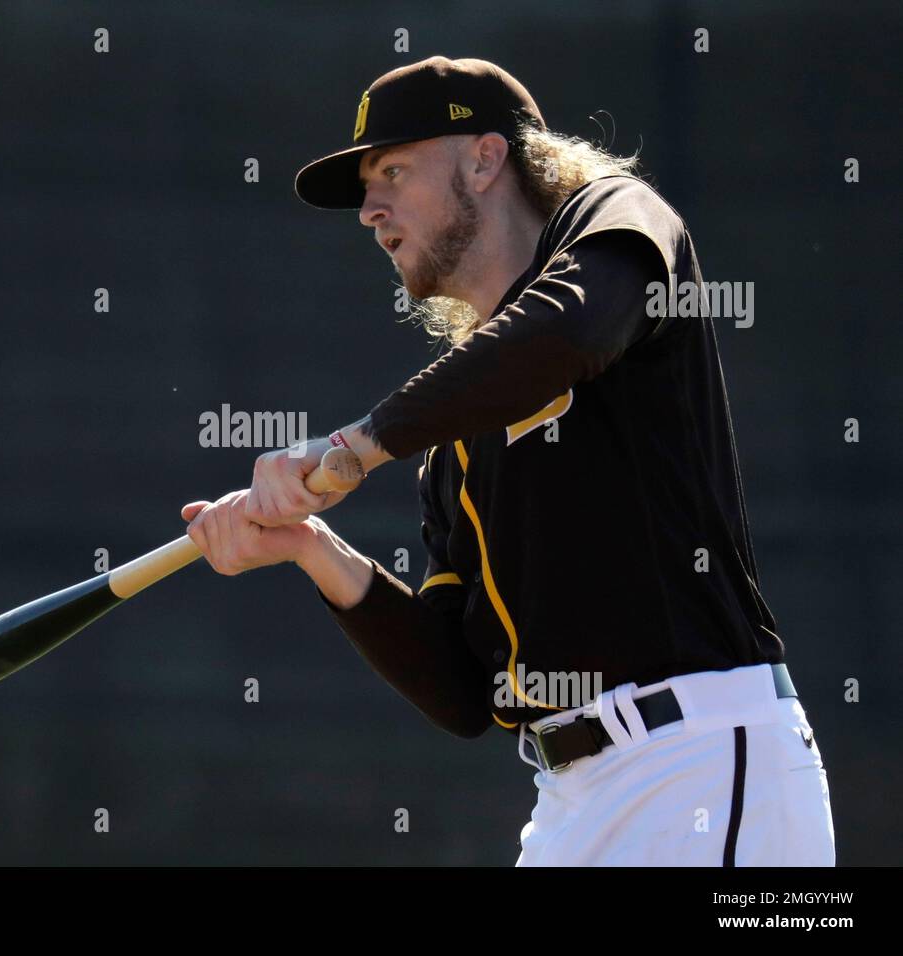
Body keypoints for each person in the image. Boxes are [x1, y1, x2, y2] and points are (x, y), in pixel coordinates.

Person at [181, 56, 835, 866]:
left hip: (698, 760)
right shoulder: (457, 431)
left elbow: (570, 333)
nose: (369, 209)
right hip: (570, 800)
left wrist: (354, 448)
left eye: (392, 169)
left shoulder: (618, 219)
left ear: (486, 158)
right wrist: (312, 550)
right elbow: (464, 691)